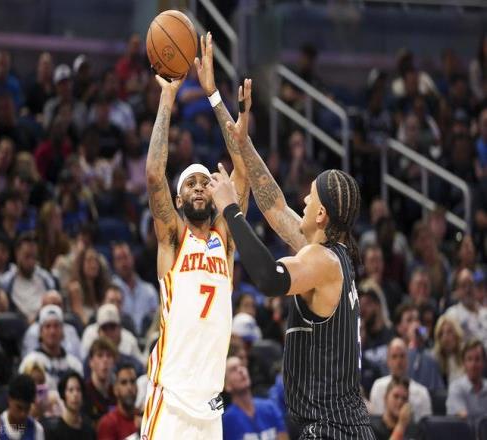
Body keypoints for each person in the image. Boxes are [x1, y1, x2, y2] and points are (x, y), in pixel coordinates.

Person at [208, 79, 374, 438]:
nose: (304, 200)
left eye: (311, 197)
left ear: (322, 215)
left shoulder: (322, 261)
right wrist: (230, 119)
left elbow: (269, 279)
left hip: (332, 429)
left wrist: (231, 210)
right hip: (341, 426)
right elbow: (275, 205)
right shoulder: (332, 257)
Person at [140, 32, 249, 439]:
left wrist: (214, 94)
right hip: (170, 396)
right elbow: (155, 176)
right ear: (179, 198)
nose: (200, 187)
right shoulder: (172, 238)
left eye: (205, 182)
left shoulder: (226, 239)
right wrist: (167, 99)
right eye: (190, 184)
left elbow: (243, 173)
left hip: (210, 405)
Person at [222, 356, 288, 440]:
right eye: (233, 369)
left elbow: (283, 436)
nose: (240, 370)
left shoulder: (270, 407)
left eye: (242, 366)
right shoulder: (227, 420)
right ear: (227, 385)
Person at [446, 339, 487, 431]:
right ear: (464, 363)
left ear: (484, 362)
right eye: (469, 359)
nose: (473, 365)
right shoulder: (456, 388)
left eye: (477, 359)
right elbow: (464, 422)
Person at [43, 371, 95, 440]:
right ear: (63, 394)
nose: (75, 394)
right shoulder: (53, 430)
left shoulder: (89, 428)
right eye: (71, 390)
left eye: (79, 390)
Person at [97, 363, 138, 440]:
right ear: (115, 389)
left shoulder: (145, 417)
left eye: (132, 382)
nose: (129, 387)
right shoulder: (108, 423)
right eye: (124, 383)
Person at [0, 374, 44, 440]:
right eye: (19, 408)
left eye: (27, 408)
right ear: (9, 400)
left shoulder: (37, 429)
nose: (23, 414)